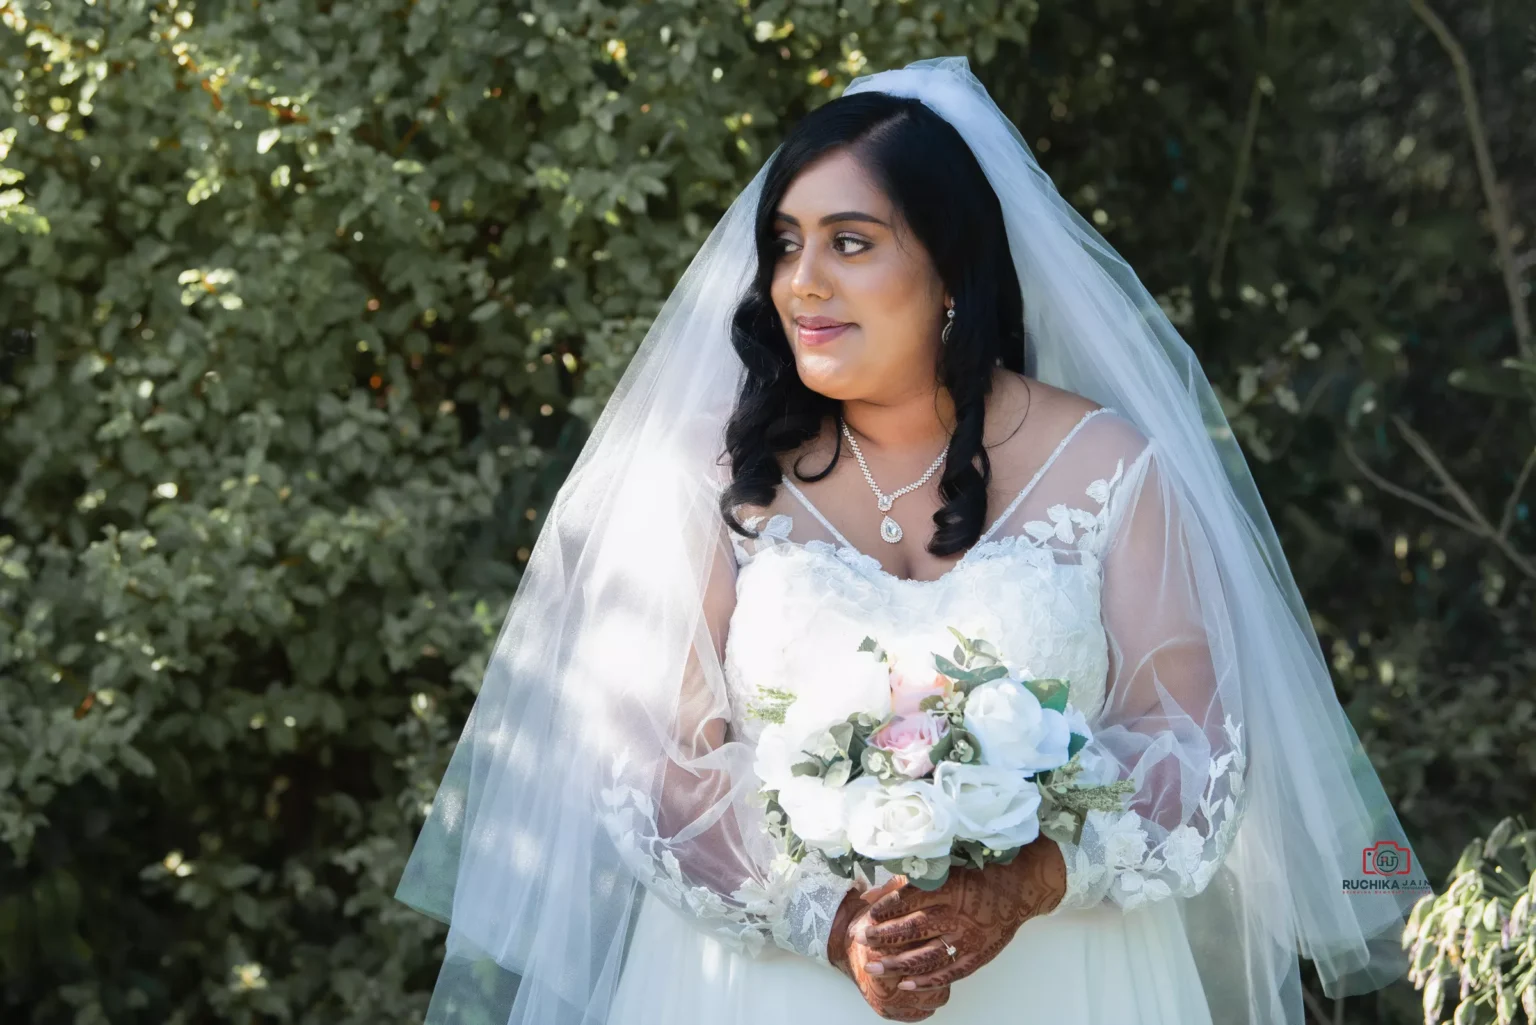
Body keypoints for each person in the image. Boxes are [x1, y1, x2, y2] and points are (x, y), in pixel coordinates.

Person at [395, 56, 1429, 1025]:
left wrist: (1028, 878)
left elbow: (1192, 748)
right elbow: (649, 763)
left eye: (850, 241)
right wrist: (834, 920)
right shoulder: (705, 482)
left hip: (1063, 977)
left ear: (949, 272)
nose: (802, 281)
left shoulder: (1110, 466)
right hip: (762, 987)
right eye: (787, 244)